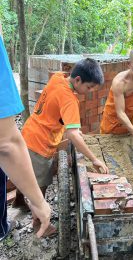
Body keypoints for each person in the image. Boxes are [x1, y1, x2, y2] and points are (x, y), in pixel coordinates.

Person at [13, 58, 109, 215]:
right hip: (41, 144)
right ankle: (39, 223)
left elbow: (65, 120)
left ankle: (18, 201)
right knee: (41, 184)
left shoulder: (58, 78)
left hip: (29, 132)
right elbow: (72, 135)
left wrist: (74, 129)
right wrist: (94, 159)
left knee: (26, 171)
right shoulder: (70, 99)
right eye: (89, 87)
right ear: (78, 80)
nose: (90, 91)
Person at [0, 28, 51, 240]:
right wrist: (39, 202)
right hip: (37, 144)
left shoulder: (56, 82)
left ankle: (6, 221)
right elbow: (6, 144)